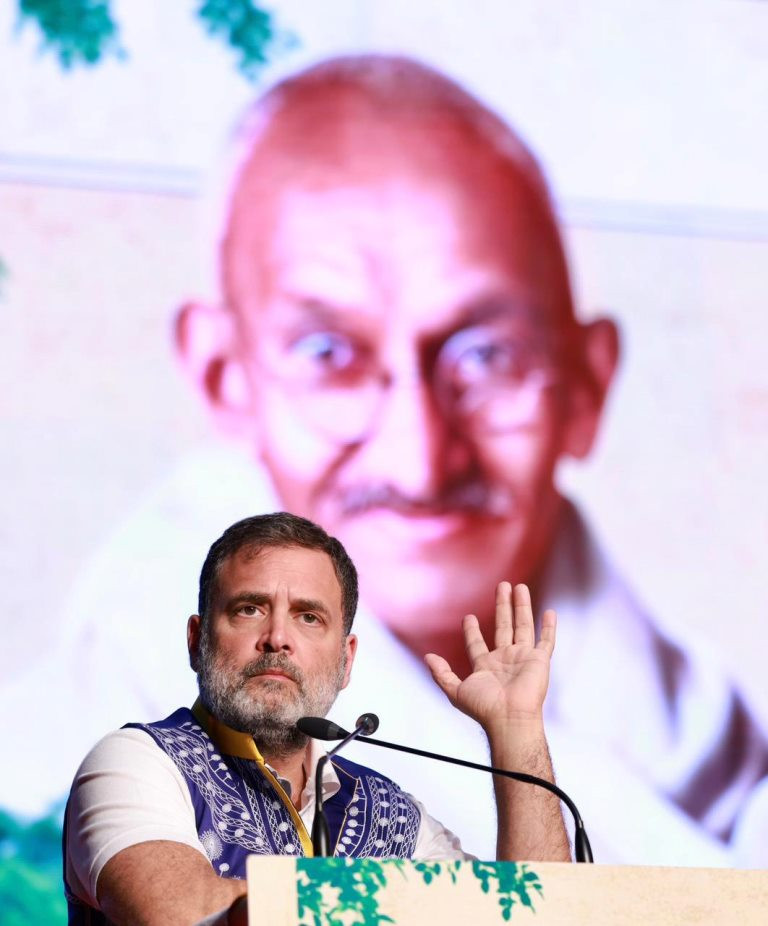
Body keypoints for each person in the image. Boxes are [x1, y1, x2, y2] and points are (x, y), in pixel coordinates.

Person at [6, 54, 768, 864]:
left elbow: (534, 913)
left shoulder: (392, 805)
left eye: (485, 355)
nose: (418, 460)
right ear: (225, 375)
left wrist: (515, 736)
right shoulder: (97, 755)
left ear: (586, 386)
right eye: (328, 353)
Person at [64, 512, 570, 925]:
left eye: (309, 617)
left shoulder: (392, 816)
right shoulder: (136, 764)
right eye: (249, 609)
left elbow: (538, 916)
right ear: (197, 641)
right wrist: (413, 905)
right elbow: (181, 914)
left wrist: (516, 729)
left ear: (346, 661)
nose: (277, 638)